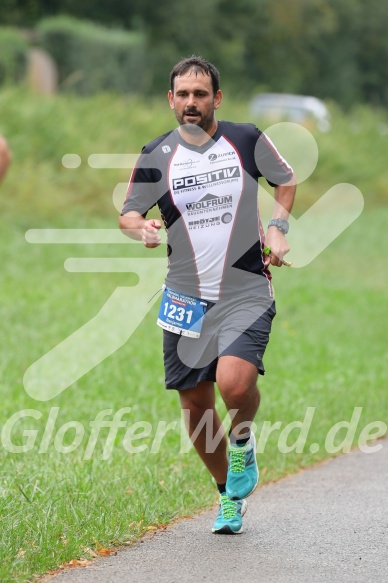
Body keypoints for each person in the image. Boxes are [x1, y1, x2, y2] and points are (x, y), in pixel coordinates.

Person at [119, 56, 296, 534]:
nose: (191, 102)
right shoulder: (157, 153)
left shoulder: (245, 139)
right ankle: (227, 497)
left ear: (217, 98)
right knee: (195, 406)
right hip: (184, 295)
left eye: (200, 94)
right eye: (182, 94)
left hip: (245, 287)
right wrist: (144, 228)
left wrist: (277, 228)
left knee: (235, 385)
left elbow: (285, 179)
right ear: (170, 99)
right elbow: (128, 214)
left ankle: (241, 443)